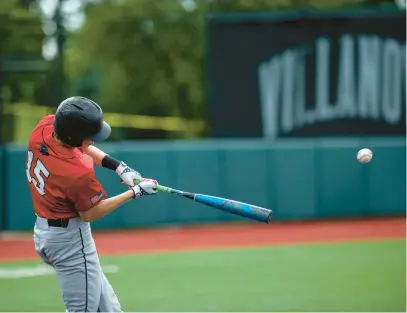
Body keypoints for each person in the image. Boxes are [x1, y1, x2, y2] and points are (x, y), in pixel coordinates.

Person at [25, 96, 158, 312]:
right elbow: (90, 213)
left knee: (109, 309)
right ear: (74, 138)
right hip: (69, 242)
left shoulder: (44, 128)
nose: (93, 141)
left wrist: (118, 167)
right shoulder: (76, 172)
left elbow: (80, 146)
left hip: (47, 231)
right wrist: (134, 192)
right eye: (88, 137)